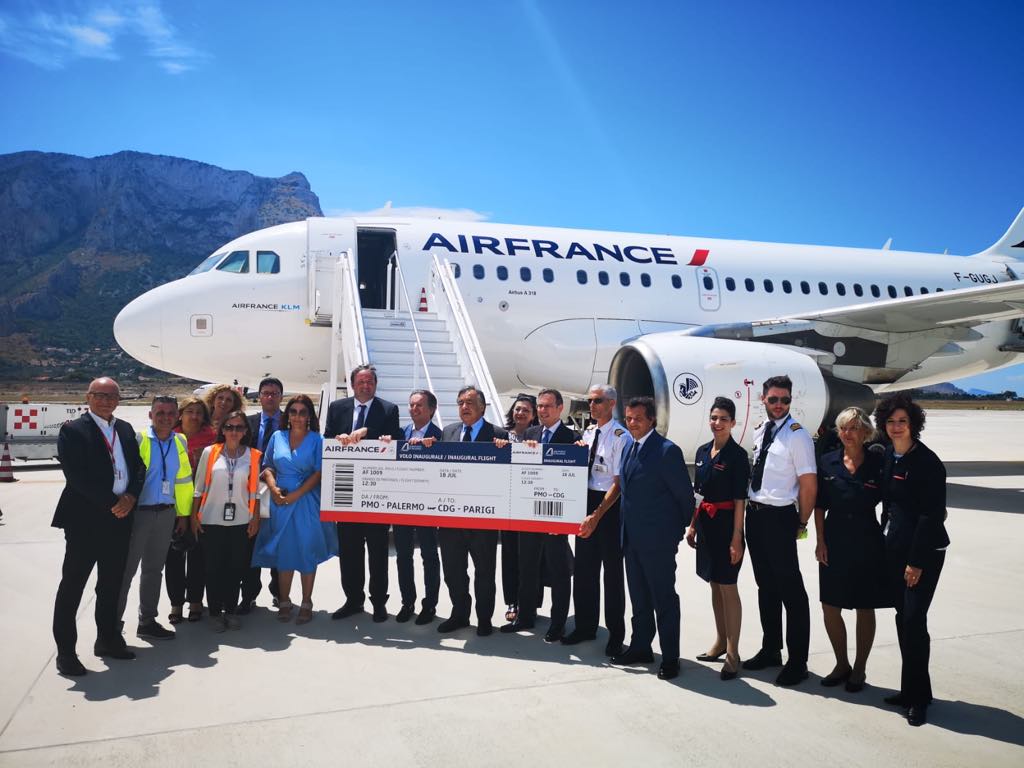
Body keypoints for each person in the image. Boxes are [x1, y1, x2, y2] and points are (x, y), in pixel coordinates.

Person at [52, 378, 145, 676]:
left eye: (112, 396)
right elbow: (76, 477)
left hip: (120, 519)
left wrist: (130, 496)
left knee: (111, 585)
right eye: (100, 395)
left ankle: (107, 640)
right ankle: (66, 652)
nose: (106, 400)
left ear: (119, 400)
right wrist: (112, 502)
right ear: (88, 397)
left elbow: (138, 467)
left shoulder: (126, 429)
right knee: (73, 586)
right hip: (85, 522)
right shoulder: (73, 431)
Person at [874, 394, 950, 727]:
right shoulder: (891, 455)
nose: (896, 427)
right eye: (890, 421)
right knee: (904, 618)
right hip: (896, 550)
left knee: (915, 621)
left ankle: (918, 701)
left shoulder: (928, 463)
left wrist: (916, 562)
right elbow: (890, 506)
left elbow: (930, 516)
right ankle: (914, 689)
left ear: (913, 424)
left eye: (902, 421)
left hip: (924, 554)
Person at [611, 396, 694, 681]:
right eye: (628, 418)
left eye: (637, 418)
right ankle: (641, 647)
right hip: (632, 540)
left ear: (651, 421)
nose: (631, 423)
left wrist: (674, 532)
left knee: (664, 600)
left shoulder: (666, 451)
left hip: (658, 542)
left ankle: (671, 657)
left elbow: (685, 497)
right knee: (640, 599)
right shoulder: (629, 447)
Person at [743, 375, 817, 687]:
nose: (778, 405)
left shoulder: (797, 435)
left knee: (791, 591)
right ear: (763, 399)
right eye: (773, 399)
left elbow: (809, 483)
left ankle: (797, 662)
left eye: (784, 400)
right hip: (755, 515)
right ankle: (771, 649)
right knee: (766, 587)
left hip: (780, 518)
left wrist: (801, 522)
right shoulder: (761, 430)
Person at [813, 407, 889, 693]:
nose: (847, 433)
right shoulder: (828, 462)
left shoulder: (878, 464)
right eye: (843, 428)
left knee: (864, 606)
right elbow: (820, 505)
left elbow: (892, 502)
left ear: (866, 432)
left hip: (867, 541)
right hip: (834, 540)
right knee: (830, 606)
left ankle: (859, 668)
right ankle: (841, 662)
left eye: (854, 428)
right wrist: (820, 541)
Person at [323, 364, 403, 622]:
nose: (365, 386)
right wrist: (339, 439)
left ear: (375, 385)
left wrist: (368, 433)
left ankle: (379, 602)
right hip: (346, 494)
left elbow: (395, 440)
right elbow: (326, 439)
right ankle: (353, 600)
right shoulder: (338, 408)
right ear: (353, 384)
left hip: (375, 493)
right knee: (349, 552)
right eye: (361, 382)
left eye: (370, 382)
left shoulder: (388, 410)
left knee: (378, 553)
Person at [501, 388, 579, 642]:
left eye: (548, 406)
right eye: (541, 406)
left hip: (556, 518)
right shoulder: (530, 434)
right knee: (527, 568)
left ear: (560, 409)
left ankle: (557, 623)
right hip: (530, 514)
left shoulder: (572, 438)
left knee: (558, 572)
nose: (543, 410)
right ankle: (525, 617)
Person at [252, 395, 338, 624]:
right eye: (293, 411)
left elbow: (318, 473)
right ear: (287, 415)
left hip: (306, 500)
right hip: (279, 500)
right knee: (285, 551)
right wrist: (272, 486)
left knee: (306, 549)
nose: (297, 416)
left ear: (309, 416)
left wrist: (297, 495)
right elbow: (267, 465)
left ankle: (307, 601)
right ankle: (284, 600)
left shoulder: (317, 439)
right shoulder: (277, 437)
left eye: (302, 412)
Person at [117, 396, 194, 642]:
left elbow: (183, 481)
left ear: (177, 417)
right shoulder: (139, 440)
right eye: (160, 412)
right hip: (138, 514)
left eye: (171, 413)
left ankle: (147, 621)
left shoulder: (179, 441)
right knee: (125, 572)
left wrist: (182, 513)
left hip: (166, 513)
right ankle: (112, 625)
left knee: (153, 570)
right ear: (150, 415)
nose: (165, 417)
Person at [434, 386, 508, 636]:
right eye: (460, 403)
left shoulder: (498, 434)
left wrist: (505, 449)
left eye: (469, 402)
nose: (463, 407)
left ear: (482, 407)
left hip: (483, 519)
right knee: (453, 570)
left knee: (485, 572)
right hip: (452, 518)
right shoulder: (448, 431)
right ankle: (459, 614)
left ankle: (484, 619)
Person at [563, 384, 630, 656]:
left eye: (597, 401)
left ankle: (616, 634)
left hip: (609, 508)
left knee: (612, 575)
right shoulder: (588, 433)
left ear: (611, 403)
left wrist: (597, 515)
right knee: (584, 570)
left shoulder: (619, 436)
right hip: (587, 502)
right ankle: (585, 626)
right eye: (589, 401)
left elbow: (618, 483)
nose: (591, 405)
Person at [686, 396, 749, 680]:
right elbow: (698, 494)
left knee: (728, 587)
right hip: (707, 526)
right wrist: (692, 525)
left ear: (733, 423)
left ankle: (733, 653)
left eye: (724, 419)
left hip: (727, 528)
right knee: (714, 584)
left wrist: (737, 538)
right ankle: (720, 642)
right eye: (714, 418)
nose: (717, 423)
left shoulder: (737, 457)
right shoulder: (701, 452)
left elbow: (739, 501)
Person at [191, 411, 262, 631]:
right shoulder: (210, 453)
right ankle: (214, 612)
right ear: (222, 430)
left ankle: (230, 610)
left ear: (245, 432)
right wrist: (194, 517)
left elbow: (256, 492)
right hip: (211, 519)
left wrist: (255, 517)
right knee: (213, 568)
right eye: (229, 427)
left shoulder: (253, 455)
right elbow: (199, 487)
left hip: (241, 519)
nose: (234, 432)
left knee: (235, 568)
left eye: (239, 428)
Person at [165, 396, 216, 625]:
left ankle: (195, 601)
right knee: (173, 557)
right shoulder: (168, 436)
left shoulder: (212, 438)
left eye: (198, 412)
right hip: (173, 505)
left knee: (199, 557)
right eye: (189, 412)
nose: (194, 416)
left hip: (202, 505)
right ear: (181, 414)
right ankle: (176, 604)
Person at [393, 389, 443, 625]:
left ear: (432, 410)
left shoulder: (440, 436)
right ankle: (407, 602)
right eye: (411, 405)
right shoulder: (400, 432)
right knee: (403, 556)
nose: (414, 409)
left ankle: (429, 604)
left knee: (429, 556)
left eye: (419, 406)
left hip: (427, 506)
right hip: (403, 504)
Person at [241, 376, 285, 612]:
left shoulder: (289, 423)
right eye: (266, 393)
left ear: (281, 397)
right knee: (252, 541)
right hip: (250, 490)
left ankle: (279, 592)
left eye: (274, 393)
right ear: (259, 396)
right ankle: (248, 595)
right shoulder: (247, 422)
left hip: (279, 489)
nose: (270, 397)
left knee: (278, 542)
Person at [500, 394, 538, 624]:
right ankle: (512, 601)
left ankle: (530, 604)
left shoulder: (539, 436)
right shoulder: (501, 435)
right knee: (510, 555)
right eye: (517, 409)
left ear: (533, 415)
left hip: (532, 504)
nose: (520, 413)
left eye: (525, 410)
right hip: (508, 504)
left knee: (531, 558)